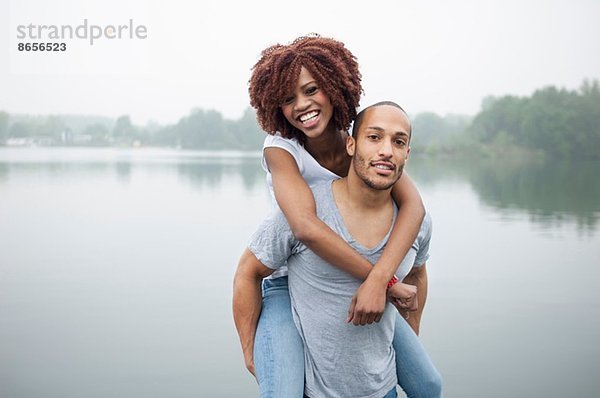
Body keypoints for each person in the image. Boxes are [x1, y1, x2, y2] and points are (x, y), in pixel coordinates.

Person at [234, 35, 442, 397]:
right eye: (287, 99)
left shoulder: (363, 146)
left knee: (428, 384)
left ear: (333, 87)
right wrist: (385, 283)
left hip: (356, 274)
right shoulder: (282, 150)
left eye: (312, 89)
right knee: (281, 389)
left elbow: (415, 208)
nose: (302, 105)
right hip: (288, 278)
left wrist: (384, 288)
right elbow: (304, 227)